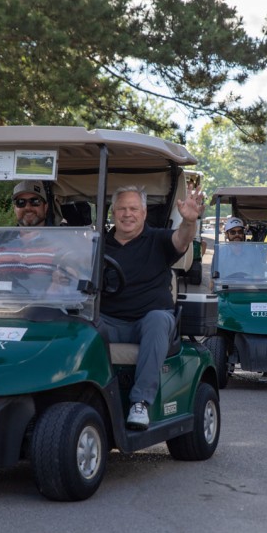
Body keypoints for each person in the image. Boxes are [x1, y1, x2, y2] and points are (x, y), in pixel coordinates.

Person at [100, 184, 204, 430]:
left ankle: (140, 403)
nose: (128, 214)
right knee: (76, 326)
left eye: (134, 208)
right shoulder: (99, 245)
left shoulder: (158, 239)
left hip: (148, 321)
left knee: (157, 320)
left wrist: (189, 221)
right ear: (113, 212)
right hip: (108, 321)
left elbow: (182, 239)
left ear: (144, 213)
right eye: (122, 209)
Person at [0, 181, 55, 294]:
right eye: (21, 203)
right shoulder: (0, 240)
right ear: (15, 208)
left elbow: (65, 283)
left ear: (45, 207)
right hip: (4, 304)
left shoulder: (60, 240)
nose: (28, 207)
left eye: (35, 201)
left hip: (46, 304)